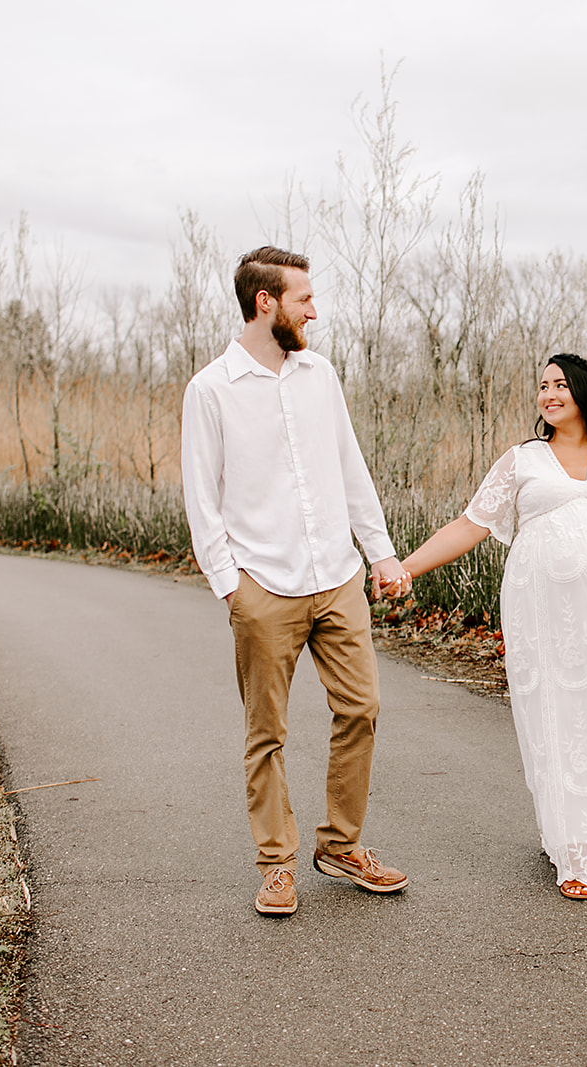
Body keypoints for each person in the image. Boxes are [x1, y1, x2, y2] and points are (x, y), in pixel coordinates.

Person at [180, 245, 413, 915]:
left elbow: (350, 467)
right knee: (267, 732)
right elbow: (203, 499)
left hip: (337, 578)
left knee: (362, 708)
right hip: (265, 588)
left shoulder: (320, 375)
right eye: (304, 297)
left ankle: (340, 845)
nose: (315, 308)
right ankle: (276, 863)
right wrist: (233, 587)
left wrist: (381, 553)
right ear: (266, 302)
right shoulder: (211, 389)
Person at [400, 354, 587, 900]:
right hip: (540, 612)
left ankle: (585, 838)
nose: (548, 394)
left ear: (585, 392)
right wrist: (406, 567)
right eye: (543, 386)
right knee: (552, 719)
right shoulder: (522, 460)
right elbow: (471, 525)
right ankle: (575, 852)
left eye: (561, 385)